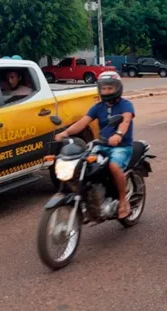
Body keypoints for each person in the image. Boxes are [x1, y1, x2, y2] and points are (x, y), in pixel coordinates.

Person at [55, 71, 134, 218]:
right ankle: (90, 194)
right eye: (103, 88)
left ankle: (123, 200)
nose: (106, 91)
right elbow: (82, 123)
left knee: (113, 166)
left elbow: (126, 121)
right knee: (83, 164)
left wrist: (118, 135)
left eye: (110, 88)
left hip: (122, 147)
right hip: (101, 145)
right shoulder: (98, 107)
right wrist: (65, 133)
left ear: (118, 88)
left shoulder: (126, 105)